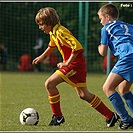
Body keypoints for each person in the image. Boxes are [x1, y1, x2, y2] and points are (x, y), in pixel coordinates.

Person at [32, 7, 120, 127]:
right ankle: (110, 116)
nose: (40, 28)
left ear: (49, 22)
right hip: (76, 64)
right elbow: (51, 46)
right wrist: (41, 57)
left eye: (41, 24)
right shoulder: (54, 32)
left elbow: (77, 47)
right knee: (83, 95)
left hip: (74, 65)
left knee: (50, 84)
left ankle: (58, 116)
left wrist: (67, 63)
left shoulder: (61, 31)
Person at [97, 3, 133, 130]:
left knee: (108, 88)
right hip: (131, 57)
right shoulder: (129, 26)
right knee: (123, 89)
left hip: (128, 57)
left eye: (101, 18)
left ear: (107, 17)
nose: (101, 22)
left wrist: (99, 47)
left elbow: (102, 52)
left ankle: (126, 120)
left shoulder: (106, 28)